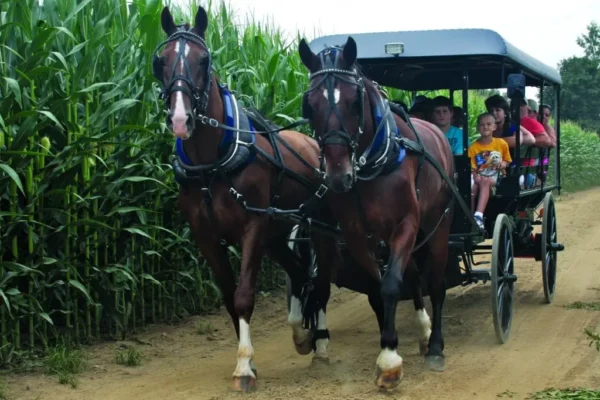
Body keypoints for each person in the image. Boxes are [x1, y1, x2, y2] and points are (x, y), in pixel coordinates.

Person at [468, 112, 512, 229]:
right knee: (474, 186)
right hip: (479, 176)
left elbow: (507, 160)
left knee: (485, 181)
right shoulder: (473, 147)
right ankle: (470, 216)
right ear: (478, 128)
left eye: (488, 124)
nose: (485, 127)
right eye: (482, 125)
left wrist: (502, 164)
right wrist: (475, 176)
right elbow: (472, 168)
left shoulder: (501, 143)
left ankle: (479, 215)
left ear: (494, 127)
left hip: (496, 177)